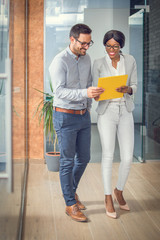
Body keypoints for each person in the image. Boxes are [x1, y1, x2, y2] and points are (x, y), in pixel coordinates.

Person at [49, 23, 104, 222]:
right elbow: (59, 91)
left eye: (89, 43)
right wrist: (84, 93)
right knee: (67, 161)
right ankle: (70, 204)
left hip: (83, 115)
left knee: (85, 158)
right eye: (83, 43)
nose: (87, 47)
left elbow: (87, 83)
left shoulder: (86, 58)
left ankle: (71, 193)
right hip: (65, 116)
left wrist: (91, 98)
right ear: (72, 39)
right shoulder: (59, 61)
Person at [92, 30, 137, 219]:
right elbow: (95, 92)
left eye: (115, 46)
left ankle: (119, 190)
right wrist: (99, 92)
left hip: (125, 111)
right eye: (108, 46)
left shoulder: (130, 60)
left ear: (121, 46)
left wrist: (128, 89)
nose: (111, 49)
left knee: (127, 157)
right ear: (105, 46)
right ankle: (108, 196)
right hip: (107, 112)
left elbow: (134, 84)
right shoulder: (98, 63)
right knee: (108, 155)